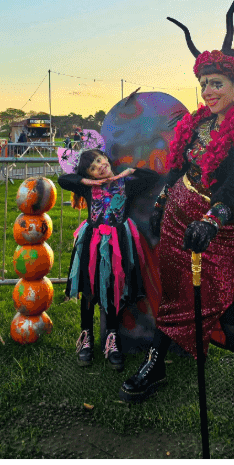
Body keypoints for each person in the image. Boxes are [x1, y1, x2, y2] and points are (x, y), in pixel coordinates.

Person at [120, 0, 234, 456]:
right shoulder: (193, 125)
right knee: (170, 298)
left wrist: (216, 216)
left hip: (219, 231)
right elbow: (178, 168)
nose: (209, 92)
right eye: (204, 83)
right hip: (176, 224)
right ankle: (158, 362)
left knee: (231, 318)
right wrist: (161, 189)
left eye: (217, 84)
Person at [57, 149, 159, 369]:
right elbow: (63, 179)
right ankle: (86, 337)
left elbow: (152, 178)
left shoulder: (127, 183)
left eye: (99, 160)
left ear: (106, 159)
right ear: (90, 175)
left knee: (114, 288)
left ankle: (112, 339)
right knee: (89, 289)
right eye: (92, 167)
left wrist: (130, 171)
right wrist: (85, 180)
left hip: (117, 245)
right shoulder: (87, 186)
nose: (99, 166)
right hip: (92, 242)